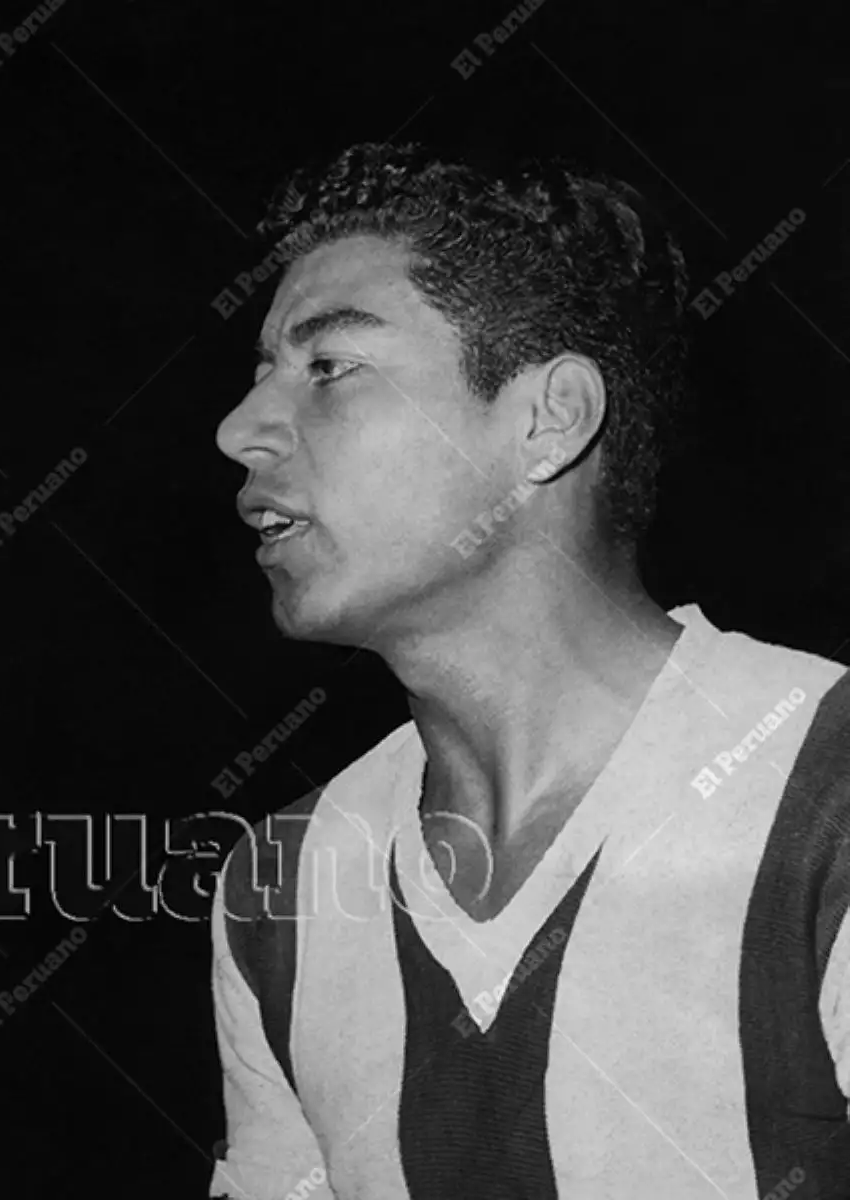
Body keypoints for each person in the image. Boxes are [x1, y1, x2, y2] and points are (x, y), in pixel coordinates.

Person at [208, 142, 846, 1198]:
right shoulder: (276, 893)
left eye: (329, 368)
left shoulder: (825, 789)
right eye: (259, 375)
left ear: (548, 420)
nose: (239, 431)